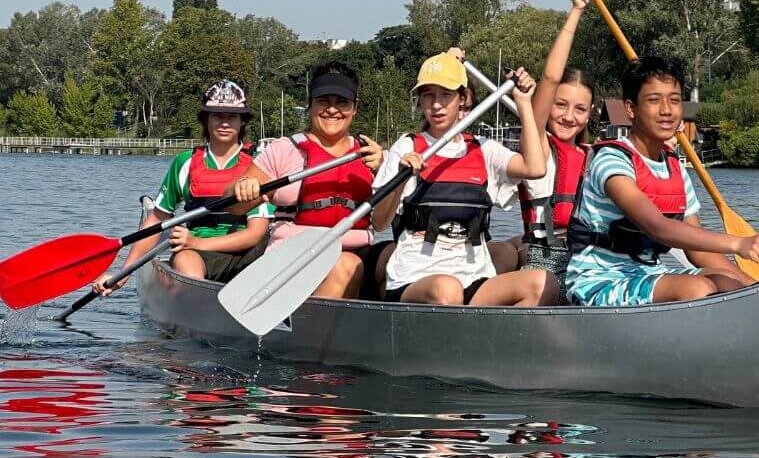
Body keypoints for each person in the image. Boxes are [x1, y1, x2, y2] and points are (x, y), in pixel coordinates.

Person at [565, 56, 759, 307]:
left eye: (674, 100)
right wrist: (738, 243)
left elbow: (698, 249)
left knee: (728, 282)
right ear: (631, 108)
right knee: (698, 288)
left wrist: (755, 288)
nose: (666, 110)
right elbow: (658, 228)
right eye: (654, 100)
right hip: (596, 281)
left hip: (649, 274)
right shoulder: (612, 160)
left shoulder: (674, 167)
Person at [370, 53, 557, 306]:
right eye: (428, 95)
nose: (436, 105)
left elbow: (534, 168)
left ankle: (489, 332)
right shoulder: (406, 147)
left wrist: (523, 103)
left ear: (462, 99)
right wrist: (400, 181)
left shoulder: (483, 149)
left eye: (445, 95)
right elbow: (379, 222)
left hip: (473, 279)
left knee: (542, 283)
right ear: (420, 100)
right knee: (448, 289)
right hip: (415, 279)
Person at [92, 80, 272, 293]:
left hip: (246, 253)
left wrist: (195, 242)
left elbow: (255, 234)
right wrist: (124, 273)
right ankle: (194, 296)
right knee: (186, 262)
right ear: (206, 120)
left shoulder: (259, 164)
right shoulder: (184, 163)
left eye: (232, 116)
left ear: (242, 122)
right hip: (196, 255)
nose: (225, 123)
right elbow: (157, 219)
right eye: (217, 116)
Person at [230, 61, 385, 300]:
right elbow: (234, 206)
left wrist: (385, 171)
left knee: (395, 256)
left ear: (355, 108)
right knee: (345, 264)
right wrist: (242, 188)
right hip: (295, 256)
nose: (332, 110)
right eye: (323, 101)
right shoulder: (284, 149)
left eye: (342, 102)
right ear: (310, 104)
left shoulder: (372, 156)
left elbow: (383, 223)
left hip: (357, 252)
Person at [515, 0, 600, 296]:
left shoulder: (596, 157)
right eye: (560, 105)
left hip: (591, 261)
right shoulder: (537, 144)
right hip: (546, 260)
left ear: (590, 114)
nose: (568, 116)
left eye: (579, 109)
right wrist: (577, 9)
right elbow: (550, 77)